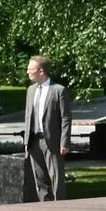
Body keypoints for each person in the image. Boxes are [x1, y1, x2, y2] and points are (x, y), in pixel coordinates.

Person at [22, 55, 71, 201]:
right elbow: (28, 117)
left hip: (52, 141)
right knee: (40, 179)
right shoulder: (31, 90)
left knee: (56, 178)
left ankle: (60, 208)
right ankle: (45, 207)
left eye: (30, 69)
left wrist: (64, 142)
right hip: (34, 141)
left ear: (41, 71)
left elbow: (65, 118)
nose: (27, 72)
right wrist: (26, 141)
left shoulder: (58, 90)